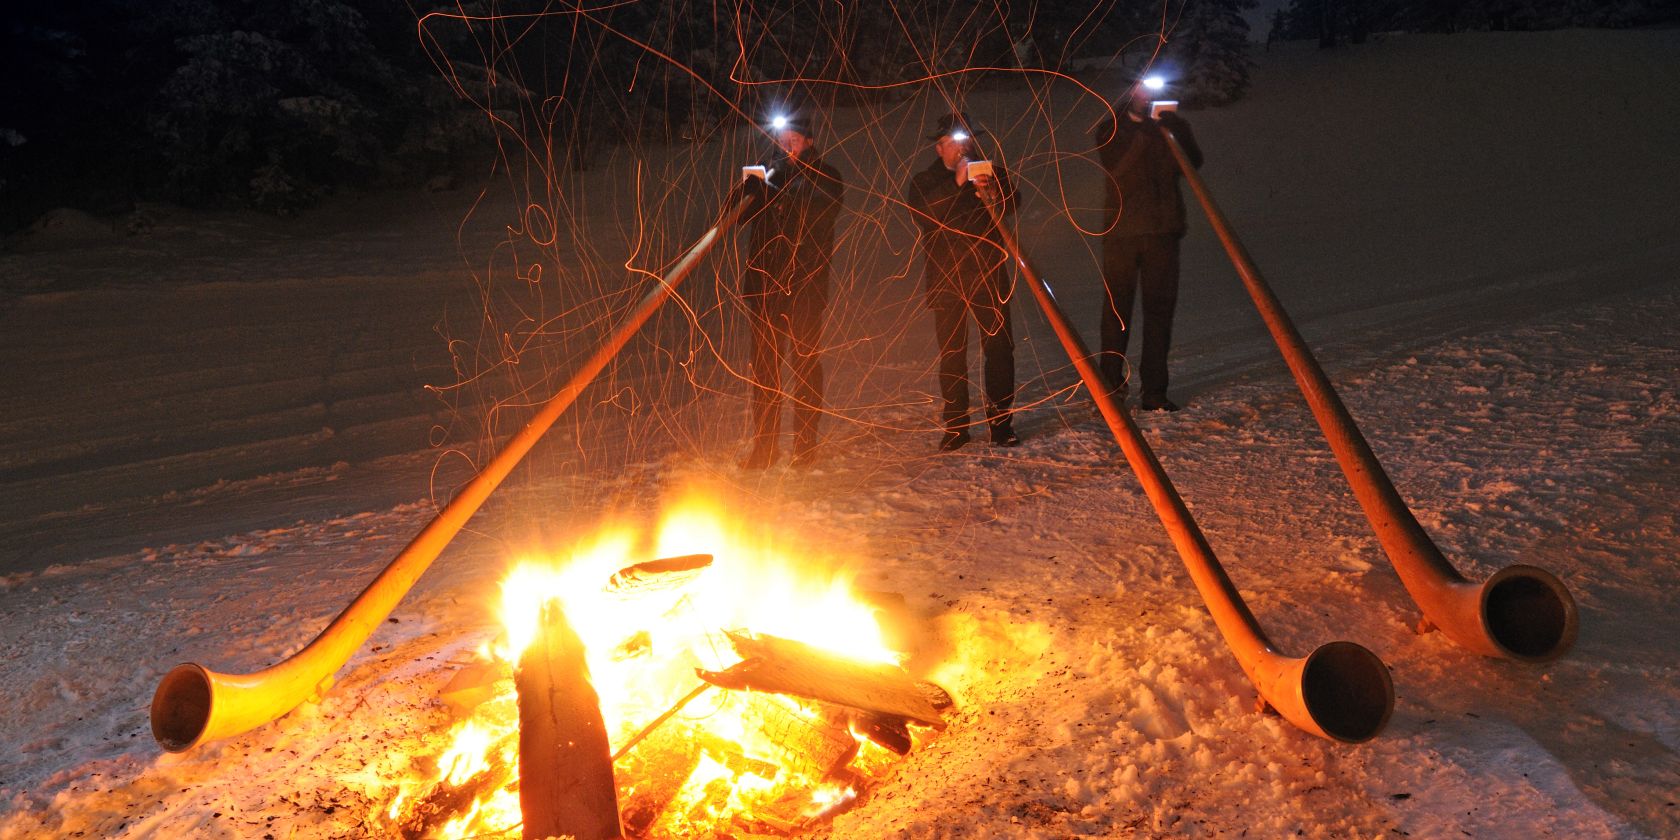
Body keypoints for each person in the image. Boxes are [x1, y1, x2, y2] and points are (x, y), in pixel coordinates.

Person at [904, 112, 1021, 451]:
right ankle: (956, 427)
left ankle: (1001, 424)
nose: (958, 148)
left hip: (988, 275)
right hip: (947, 279)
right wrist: (956, 183)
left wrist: (992, 189)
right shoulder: (925, 180)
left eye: (963, 141)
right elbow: (923, 213)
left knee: (1000, 349)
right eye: (950, 143)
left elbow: (1013, 202)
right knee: (953, 353)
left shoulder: (989, 171)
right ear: (940, 148)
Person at [735, 111, 845, 469]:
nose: (784, 147)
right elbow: (734, 217)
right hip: (765, 288)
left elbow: (815, 203)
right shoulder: (768, 176)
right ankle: (764, 446)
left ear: (808, 141)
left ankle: (804, 445)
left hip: (804, 289)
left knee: (805, 365)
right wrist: (746, 192)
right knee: (765, 371)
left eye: (792, 140)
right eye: (780, 141)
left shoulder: (825, 176)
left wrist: (773, 183)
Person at [1092, 78, 1203, 411]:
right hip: (1122, 233)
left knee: (1159, 314)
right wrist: (1146, 135)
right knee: (1116, 314)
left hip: (1162, 231)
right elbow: (1117, 168)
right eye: (1140, 90)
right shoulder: (1110, 128)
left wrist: (1177, 130)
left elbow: (1192, 163)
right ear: (1129, 94)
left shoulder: (1169, 127)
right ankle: (1110, 390)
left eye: (1151, 90)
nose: (1146, 96)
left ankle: (1154, 391)